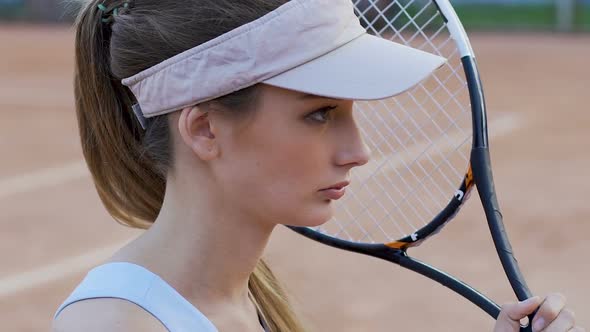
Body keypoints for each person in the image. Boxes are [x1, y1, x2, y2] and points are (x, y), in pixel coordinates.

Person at [52, 0, 583, 331]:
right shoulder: (113, 324)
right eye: (320, 113)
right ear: (204, 129)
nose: (358, 151)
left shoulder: (241, 299)